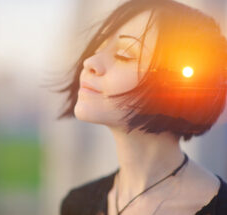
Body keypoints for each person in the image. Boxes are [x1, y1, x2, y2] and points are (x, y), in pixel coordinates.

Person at [58, 0, 227, 214]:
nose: (90, 62)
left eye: (124, 54)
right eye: (99, 47)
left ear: (175, 85)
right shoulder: (77, 204)